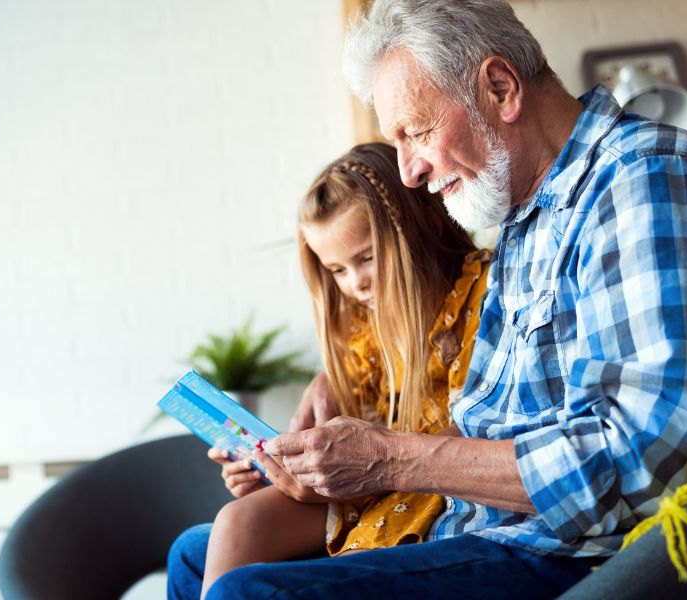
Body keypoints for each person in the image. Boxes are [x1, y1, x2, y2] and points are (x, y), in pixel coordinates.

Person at [171, 1, 687, 598]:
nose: (409, 171)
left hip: (572, 553)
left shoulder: (643, 180)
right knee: (194, 557)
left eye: (416, 132)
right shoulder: (526, 215)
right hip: (479, 527)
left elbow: (638, 457)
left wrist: (391, 457)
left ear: (499, 88)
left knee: (248, 591)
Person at [179, 142, 490, 598]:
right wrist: (275, 467)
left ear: (416, 226)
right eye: (337, 270)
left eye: (367, 258)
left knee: (231, 533)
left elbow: (483, 429)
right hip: (366, 485)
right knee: (233, 522)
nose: (355, 283)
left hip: (440, 486)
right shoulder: (365, 326)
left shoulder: (482, 294)